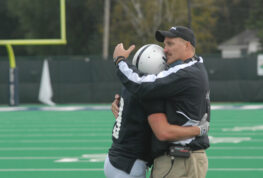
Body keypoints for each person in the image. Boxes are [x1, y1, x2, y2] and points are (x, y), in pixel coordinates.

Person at [112, 26, 210, 178]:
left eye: (170, 44)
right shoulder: (194, 67)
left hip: (178, 161)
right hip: (185, 159)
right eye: (165, 45)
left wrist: (120, 61)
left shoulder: (185, 72)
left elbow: (141, 84)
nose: (164, 50)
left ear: (187, 45)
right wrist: (125, 108)